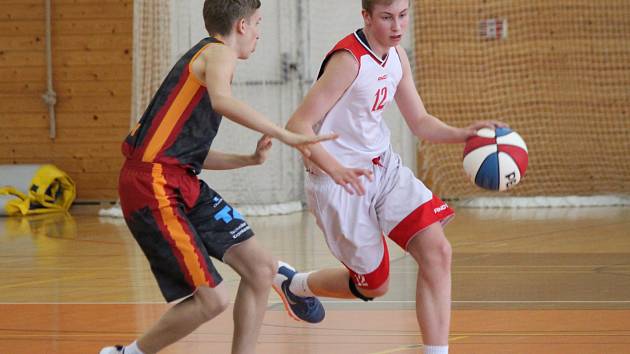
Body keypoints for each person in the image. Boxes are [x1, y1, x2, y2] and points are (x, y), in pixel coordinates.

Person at [100, 1, 332, 353]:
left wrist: (248, 159)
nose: (259, 32)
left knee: (260, 268)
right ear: (241, 25)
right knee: (213, 300)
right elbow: (223, 101)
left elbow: (186, 152)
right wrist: (286, 134)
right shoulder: (218, 52)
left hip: (179, 178)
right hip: (153, 185)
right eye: (257, 23)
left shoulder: (204, 62)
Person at [279, 1, 507, 353]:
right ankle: (297, 285)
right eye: (387, 17)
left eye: (402, 15)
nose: (397, 25)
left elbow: (420, 122)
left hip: (384, 169)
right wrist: (334, 168)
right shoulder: (348, 61)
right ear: (367, 17)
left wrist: (465, 134)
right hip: (339, 183)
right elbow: (297, 126)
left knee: (437, 251)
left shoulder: (397, 55)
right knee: (374, 285)